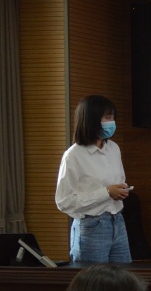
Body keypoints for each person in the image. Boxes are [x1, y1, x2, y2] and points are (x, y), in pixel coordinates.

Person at [56, 94, 133, 264]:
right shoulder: (73, 155)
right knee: (93, 278)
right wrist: (106, 193)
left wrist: (121, 191)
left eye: (113, 118)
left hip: (117, 221)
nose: (111, 122)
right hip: (91, 226)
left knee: (123, 276)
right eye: (107, 118)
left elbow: (118, 180)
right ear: (91, 119)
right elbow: (64, 201)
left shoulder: (113, 148)